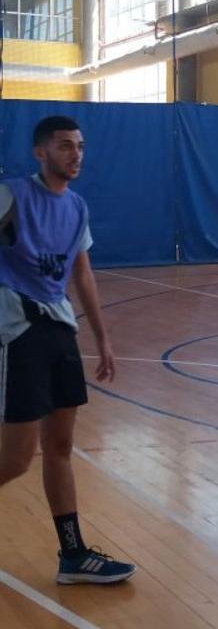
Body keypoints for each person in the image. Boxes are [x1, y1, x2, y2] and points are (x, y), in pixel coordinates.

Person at [0, 116, 136, 585]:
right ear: (41, 152)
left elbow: (82, 274)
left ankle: (73, 556)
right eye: (64, 146)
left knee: (60, 446)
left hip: (59, 328)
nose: (75, 154)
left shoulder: (77, 207)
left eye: (79, 146)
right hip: (17, 329)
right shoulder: (12, 196)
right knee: (16, 459)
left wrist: (102, 338)